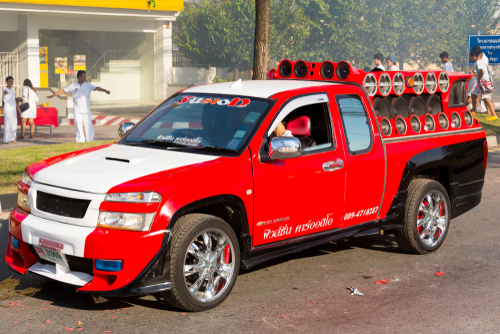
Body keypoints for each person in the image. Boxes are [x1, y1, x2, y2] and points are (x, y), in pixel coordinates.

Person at [48, 70, 110, 142]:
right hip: (77, 110)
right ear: (79, 77)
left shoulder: (88, 85)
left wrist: (105, 90)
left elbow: (96, 88)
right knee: (78, 125)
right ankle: (80, 140)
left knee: (88, 125)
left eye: (85, 76)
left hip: (86, 110)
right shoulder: (73, 86)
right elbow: (63, 90)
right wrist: (53, 95)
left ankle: (90, 139)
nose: (85, 77)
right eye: (84, 76)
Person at [469, 48, 497, 120]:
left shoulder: (478, 62)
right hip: (482, 81)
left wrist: (478, 78)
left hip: (484, 81)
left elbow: (482, 72)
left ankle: (494, 115)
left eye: (471, 57)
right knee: (473, 93)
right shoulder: (479, 62)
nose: (470, 59)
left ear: (474, 56)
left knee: (486, 98)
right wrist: (474, 74)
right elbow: (481, 72)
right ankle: (474, 111)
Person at [2, 76, 21, 144]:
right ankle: (7, 140)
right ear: (6, 82)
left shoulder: (12, 89)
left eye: (12, 81)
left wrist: (18, 108)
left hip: (13, 110)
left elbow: (14, 100)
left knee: (14, 124)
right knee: (8, 125)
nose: (11, 82)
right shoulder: (4, 89)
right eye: (10, 81)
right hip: (7, 110)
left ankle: (13, 138)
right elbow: (5, 92)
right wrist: (6, 92)